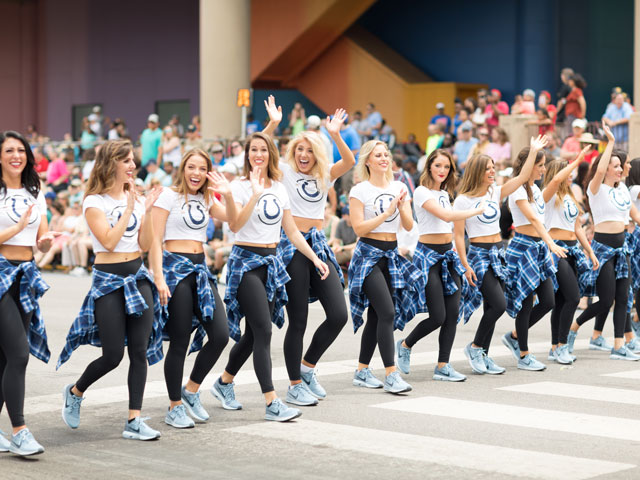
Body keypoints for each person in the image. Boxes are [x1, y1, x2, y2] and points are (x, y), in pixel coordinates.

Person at [211, 131, 330, 422]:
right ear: (247, 155)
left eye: (263, 150)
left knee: (254, 335)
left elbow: (290, 231)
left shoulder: (279, 187)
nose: (258, 155)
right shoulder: (237, 187)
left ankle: (223, 382)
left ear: (270, 155)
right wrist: (253, 193)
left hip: (271, 263)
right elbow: (236, 224)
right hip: (245, 264)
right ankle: (271, 401)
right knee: (264, 330)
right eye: (253, 150)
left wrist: (315, 258)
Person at [58, 140, 164, 440]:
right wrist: (131, 207)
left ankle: (134, 420)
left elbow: (143, 244)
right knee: (114, 354)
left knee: (139, 352)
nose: (133, 166)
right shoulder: (94, 202)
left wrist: (147, 210)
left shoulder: (138, 198)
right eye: (126, 161)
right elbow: (108, 242)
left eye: (133, 160)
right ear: (111, 163)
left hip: (137, 275)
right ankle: (76, 391)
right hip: (108, 279)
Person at [266, 101, 354, 405]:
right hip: (291, 245)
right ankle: (293, 385)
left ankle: (307, 368)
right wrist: (274, 125)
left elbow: (350, 160)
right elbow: (261, 153)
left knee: (339, 314)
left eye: (308, 150)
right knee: (299, 321)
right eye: (299, 149)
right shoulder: (285, 172)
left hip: (318, 244)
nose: (303, 155)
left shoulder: (325, 174)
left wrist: (335, 134)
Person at [150, 150, 236, 428]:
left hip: (201, 269)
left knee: (221, 334)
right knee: (179, 341)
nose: (196, 173)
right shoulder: (168, 195)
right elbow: (154, 239)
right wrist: (159, 277)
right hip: (175, 269)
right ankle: (174, 405)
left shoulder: (207, 197)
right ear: (183, 168)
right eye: (191, 167)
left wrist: (229, 194)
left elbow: (233, 221)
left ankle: (191, 389)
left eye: (202, 168)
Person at [453, 137, 547, 376]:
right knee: (499, 305)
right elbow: (458, 236)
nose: (493, 171)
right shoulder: (464, 200)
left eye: (493, 168)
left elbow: (521, 178)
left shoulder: (495, 192)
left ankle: (483, 352)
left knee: (491, 307)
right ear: (477, 172)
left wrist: (534, 149)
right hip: (478, 256)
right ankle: (475, 347)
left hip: (498, 254)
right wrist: (465, 265)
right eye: (488, 169)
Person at [395, 149, 484, 382]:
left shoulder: (446, 194)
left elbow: (454, 232)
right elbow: (445, 217)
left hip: (448, 256)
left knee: (452, 314)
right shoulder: (423, 192)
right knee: (438, 316)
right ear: (429, 167)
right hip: (428, 257)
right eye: (438, 166)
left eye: (446, 167)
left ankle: (443, 365)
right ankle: (405, 344)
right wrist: (475, 210)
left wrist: (463, 263)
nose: (442, 171)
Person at [348, 140, 422, 393]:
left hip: (391, 254)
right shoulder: (360, 191)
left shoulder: (400, 186)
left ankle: (362, 370)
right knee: (388, 313)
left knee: (378, 315)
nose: (384, 158)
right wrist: (387, 210)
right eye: (378, 155)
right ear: (367, 161)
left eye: (386, 155)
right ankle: (391, 373)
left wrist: (402, 208)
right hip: (368, 255)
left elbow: (410, 226)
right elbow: (359, 228)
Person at [0, 131, 58, 456]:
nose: (16, 155)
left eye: (20, 150)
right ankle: (19, 430)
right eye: (9, 150)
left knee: (6, 357)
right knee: (19, 354)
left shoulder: (35, 191)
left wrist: (46, 240)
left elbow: (42, 234)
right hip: (0, 271)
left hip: (25, 274)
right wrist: (18, 229)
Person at [568, 127, 640, 360]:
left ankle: (619, 345)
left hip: (623, 248)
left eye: (621, 166)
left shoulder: (622, 192)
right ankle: (574, 328)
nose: (620, 170)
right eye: (616, 166)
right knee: (606, 300)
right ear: (606, 167)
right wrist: (610, 141)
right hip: (602, 248)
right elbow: (598, 170)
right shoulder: (596, 189)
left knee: (624, 299)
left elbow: (636, 216)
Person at [500, 141, 567, 371]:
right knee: (526, 304)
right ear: (529, 166)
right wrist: (551, 243)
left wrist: (546, 243)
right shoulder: (516, 190)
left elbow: (541, 217)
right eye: (540, 165)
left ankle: (516, 336)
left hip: (538, 248)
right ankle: (524, 354)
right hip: (523, 247)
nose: (544, 169)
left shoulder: (536, 190)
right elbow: (534, 220)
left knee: (548, 300)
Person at [540, 151, 598, 364]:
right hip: (557, 250)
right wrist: (579, 157)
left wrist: (589, 250)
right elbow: (555, 180)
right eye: (568, 172)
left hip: (573, 250)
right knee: (573, 298)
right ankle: (562, 345)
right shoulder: (549, 194)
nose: (571, 175)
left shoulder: (570, 196)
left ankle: (555, 346)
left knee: (562, 300)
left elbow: (577, 227)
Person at [139, 114, 163, 179]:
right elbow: (141, 146)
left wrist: (157, 166)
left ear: (157, 123)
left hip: (153, 164)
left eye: (153, 122)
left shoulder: (160, 133)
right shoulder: (145, 132)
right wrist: (141, 159)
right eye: (149, 122)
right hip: (144, 163)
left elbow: (160, 151)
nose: (150, 124)